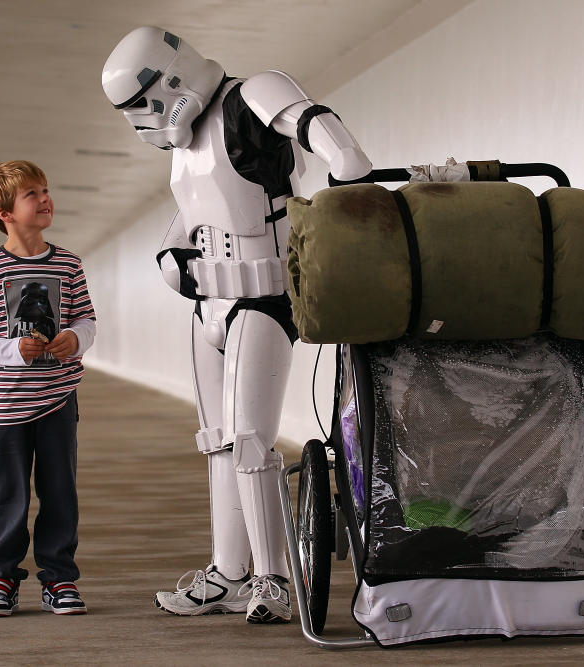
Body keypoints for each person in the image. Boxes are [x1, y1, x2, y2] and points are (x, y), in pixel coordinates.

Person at [102, 27, 372, 624]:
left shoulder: (250, 97)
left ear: (168, 77)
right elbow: (194, 207)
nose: (144, 120)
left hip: (262, 300)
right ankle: (228, 572)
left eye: (142, 104)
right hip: (210, 309)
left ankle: (274, 579)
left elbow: (307, 119)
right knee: (218, 445)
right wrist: (172, 256)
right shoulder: (188, 139)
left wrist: (346, 160)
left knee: (251, 441)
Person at [0, 160, 97, 617]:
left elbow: (86, 319)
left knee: (60, 492)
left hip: (58, 397)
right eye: (32, 194)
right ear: (5, 212)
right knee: (9, 494)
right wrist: (13, 350)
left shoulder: (68, 263)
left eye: (45, 190)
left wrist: (75, 338)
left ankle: (58, 579)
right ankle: (1, 576)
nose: (44, 199)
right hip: (6, 403)